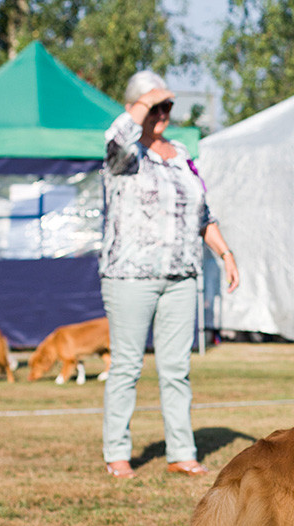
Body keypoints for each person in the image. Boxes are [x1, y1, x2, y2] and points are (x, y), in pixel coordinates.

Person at [100, 70, 240, 479]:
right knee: (126, 365)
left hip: (181, 275)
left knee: (176, 368)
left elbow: (202, 213)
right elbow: (114, 140)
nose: (161, 112)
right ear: (134, 107)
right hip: (129, 276)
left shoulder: (180, 154)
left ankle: (182, 451)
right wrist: (143, 105)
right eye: (152, 104)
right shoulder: (123, 155)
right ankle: (117, 452)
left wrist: (225, 253)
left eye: (166, 106)